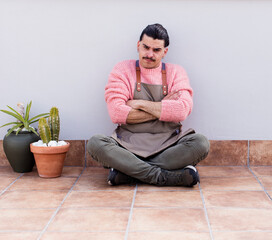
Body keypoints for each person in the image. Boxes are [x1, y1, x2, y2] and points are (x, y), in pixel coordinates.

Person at [87, 24, 210, 187]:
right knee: (96, 144)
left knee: (201, 143)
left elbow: (181, 111)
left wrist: (138, 103)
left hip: (168, 145)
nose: (149, 54)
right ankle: (161, 176)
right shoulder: (123, 70)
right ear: (138, 45)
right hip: (128, 146)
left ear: (164, 52)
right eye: (146, 47)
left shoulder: (176, 72)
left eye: (156, 50)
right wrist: (164, 107)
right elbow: (116, 113)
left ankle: (128, 173)